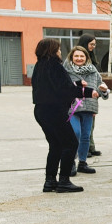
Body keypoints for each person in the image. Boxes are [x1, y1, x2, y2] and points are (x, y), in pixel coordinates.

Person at [31, 38, 98, 193]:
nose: (60, 51)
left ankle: (50, 181)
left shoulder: (39, 66)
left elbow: (55, 87)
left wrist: (75, 86)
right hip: (54, 111)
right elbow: (64, 90)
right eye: (58, 49)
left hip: (41, 110)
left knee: (56, 145)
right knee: (70, 143)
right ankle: (64, 181)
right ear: (52, 50)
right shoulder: (55, 66)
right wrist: (88, 92)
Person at [63, 45, 108, 176]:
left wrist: (104, 90)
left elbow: (99, 89)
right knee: (75, 133)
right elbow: (62, 89)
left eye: (82, 56)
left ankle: (82, 163)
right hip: (72, 108)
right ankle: (70, 162)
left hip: (89, 108)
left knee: (85, 136)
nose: (79, 58)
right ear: (71, 57)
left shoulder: (93, 71)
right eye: (76, 56)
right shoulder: (65, 71)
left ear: (86, 58)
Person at [76, 33, 102, 156]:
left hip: (92, 95)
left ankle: (90, 146)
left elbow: (97, 78)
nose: (93, 46)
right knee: (80, 127)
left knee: (90, 124)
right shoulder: (77, 57)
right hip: (80, 96)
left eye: (94, 44)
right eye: (91, 44)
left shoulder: (91, 58)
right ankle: (83, 149)